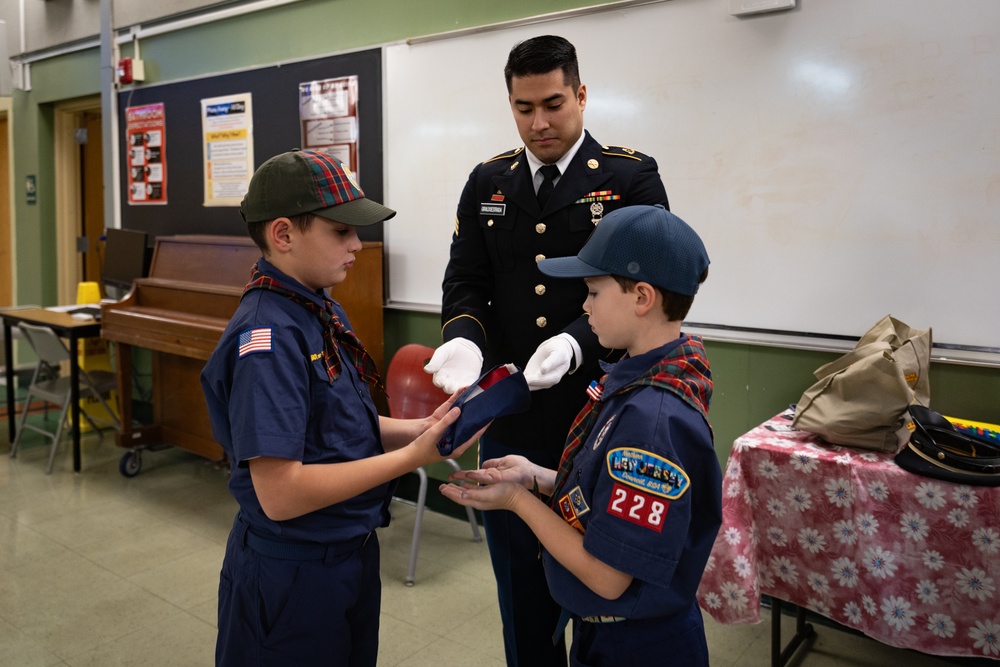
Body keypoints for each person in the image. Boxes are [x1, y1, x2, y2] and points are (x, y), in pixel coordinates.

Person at [425, 34, 670, 666]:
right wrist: (463, 338)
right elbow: (467, 280)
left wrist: (576, 340)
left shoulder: (627, 177)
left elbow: (649, 289)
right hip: (515, 419)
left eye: (554, 104)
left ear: (582, 95)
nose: (539, 123)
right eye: (523, 107)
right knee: (522, 600)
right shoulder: (489, 181)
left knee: (604, 594)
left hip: (602, 415)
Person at [200, 149, 484, 667]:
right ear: (283, 235)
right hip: (293, 571)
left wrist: (421, 429)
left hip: (348, 554)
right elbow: (281, 494)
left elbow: (339, 423)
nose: (357, 244)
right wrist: (411, 457)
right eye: (340, 232)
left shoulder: (319, 306)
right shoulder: (268, 338)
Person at [440, 204, 722, 667]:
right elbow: (609, 496)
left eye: (591, 292)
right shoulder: (642, 377)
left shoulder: (650, 420)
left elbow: (609, 578)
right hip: (611, 631)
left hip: (638, 645)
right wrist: (539, 478)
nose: (583, 306)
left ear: (642, 297)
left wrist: (517, 501)